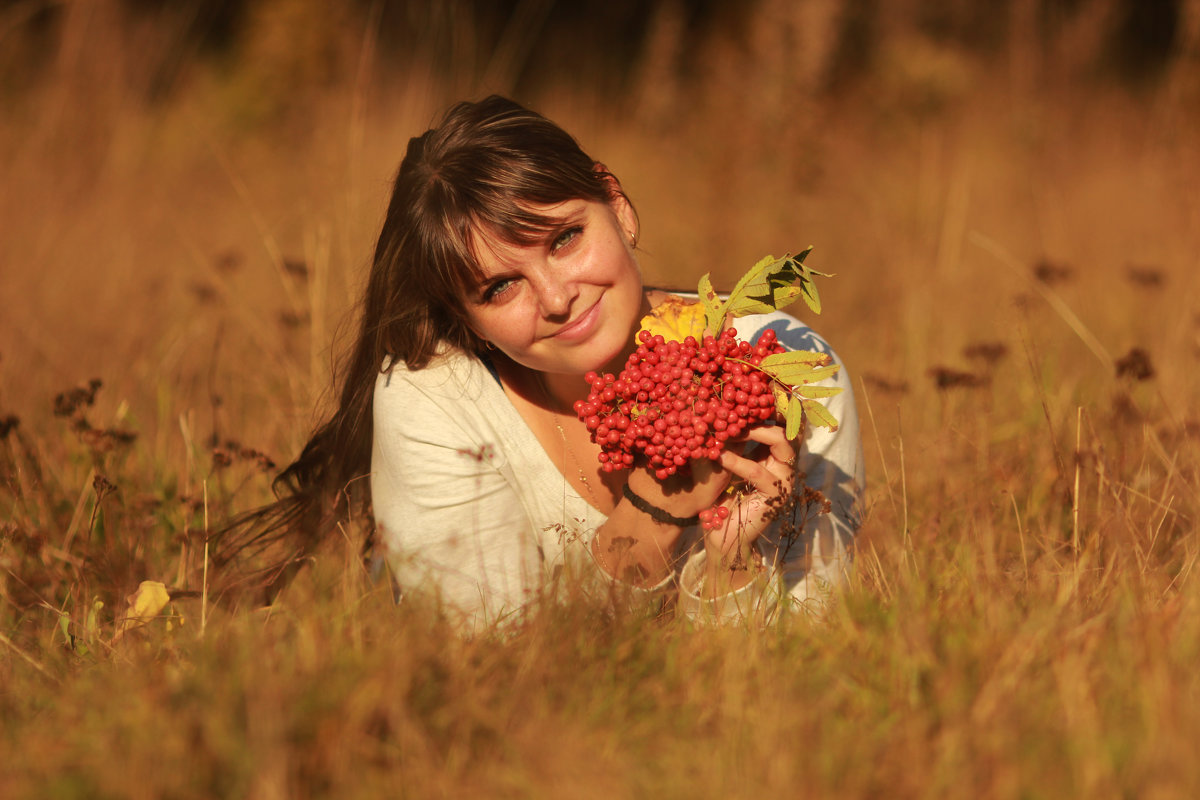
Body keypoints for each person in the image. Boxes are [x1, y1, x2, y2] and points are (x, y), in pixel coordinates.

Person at [218, 95, 863, 629]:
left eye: (564, 239)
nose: (556, 299)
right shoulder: (435, 399)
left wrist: (727, 566)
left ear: (617, 203)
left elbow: (797, 676)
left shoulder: (781, 369)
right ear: (463, 319)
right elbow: (497, 683)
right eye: (500, 287)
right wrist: (654, 515)